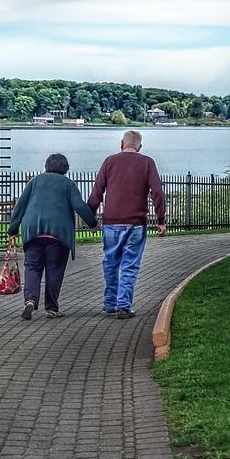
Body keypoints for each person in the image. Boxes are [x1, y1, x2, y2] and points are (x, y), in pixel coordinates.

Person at [8, 153, 98, 320]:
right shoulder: (68, 184)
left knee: (32, 268)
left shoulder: (34, 181)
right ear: (66, 168)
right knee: (54, 269)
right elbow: (80, 206)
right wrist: (93, 224)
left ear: (46, 166)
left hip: (33, 232)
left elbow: (20, 206)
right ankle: (51, 308)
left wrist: (12, 230)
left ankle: (30, 301)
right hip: (58, 234)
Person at [87, 130, 166, 319]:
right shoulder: (147, 163)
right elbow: (157, 192)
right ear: (140, 146)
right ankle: (123, 306)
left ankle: (110, 303)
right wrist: (161, 219)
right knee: (130, 265)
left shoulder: (109, 162)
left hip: (111, 222)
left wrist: (90, 216)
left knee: (110, 263)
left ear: (121, 144)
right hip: (136, 223)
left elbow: (97, 191)